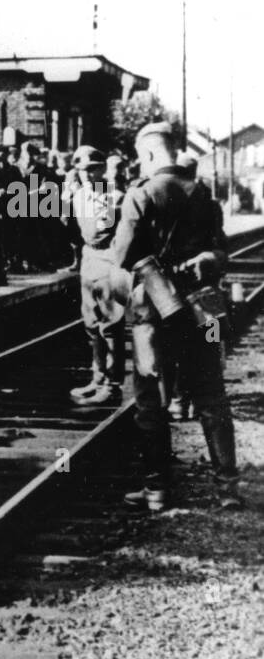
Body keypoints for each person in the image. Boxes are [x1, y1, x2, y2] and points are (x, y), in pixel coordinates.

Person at [110, 121, 241, 511]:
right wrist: (205, 260)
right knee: (212, 396)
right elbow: (221, 252)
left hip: (155, 311)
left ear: (149, 154)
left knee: (150, 398)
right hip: (202, 311)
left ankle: (156, 491)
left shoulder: (141, 195)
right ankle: (227, 489)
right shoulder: (203, 195)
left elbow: (121, 257)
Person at [68, 145, 128, 405]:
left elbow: (111, 232)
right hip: (89, 259)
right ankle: (97, 376)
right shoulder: (79, 196)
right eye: (81, 170)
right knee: (91, 325)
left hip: (108, 259)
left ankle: (113, 384)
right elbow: (72, 227)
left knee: (111, 326)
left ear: (102, 169)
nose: (86, 175)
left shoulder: (115, 196)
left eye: (92, 169)